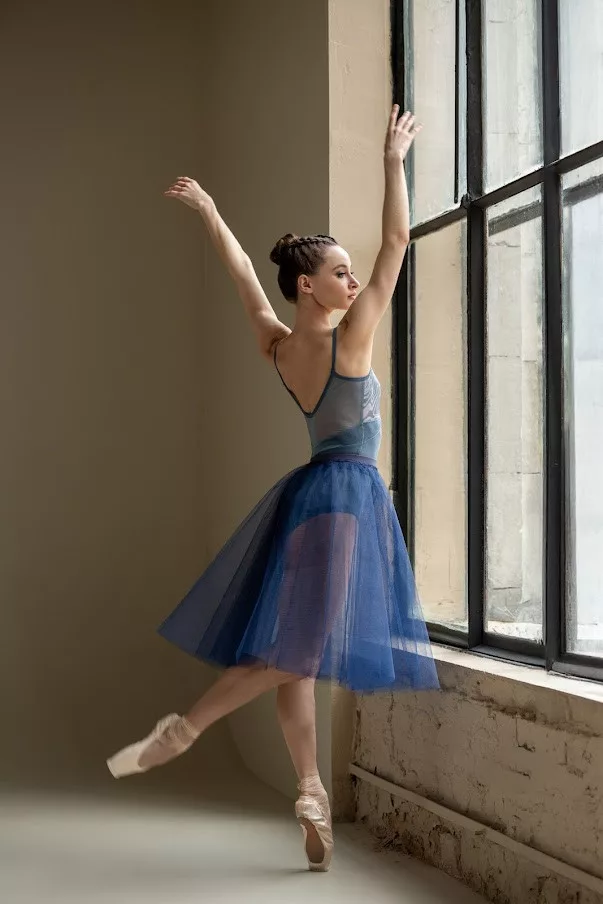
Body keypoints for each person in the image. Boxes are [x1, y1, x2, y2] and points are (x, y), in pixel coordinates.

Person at [106, 106, 439, 873]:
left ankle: (310, 790)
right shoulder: (349, 340)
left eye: (350, 272)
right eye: (339, 273)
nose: (352, 280)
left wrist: (209, 210)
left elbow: (244, 280)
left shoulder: (281, 346)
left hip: (305, 498)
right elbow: (397, 243)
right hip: (346, 498)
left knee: (298, 654)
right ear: (309, 287)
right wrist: (392, 161)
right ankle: (183, 730)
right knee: (299, 652)